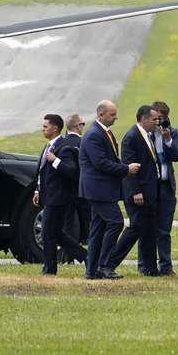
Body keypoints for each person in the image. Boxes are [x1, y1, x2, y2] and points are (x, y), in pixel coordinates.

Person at [104, 104, 159, 276]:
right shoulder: (132, 137)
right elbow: (128, 167)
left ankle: (150, 268)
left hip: (150, 192)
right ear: (143, 119)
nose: (157, 122)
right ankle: (109, 263)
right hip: (137, 193)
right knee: (135, 228)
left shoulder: (148, 135)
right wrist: (135, 191)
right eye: (154, 119)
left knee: (149, 229)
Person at [79, 100, 128, 280]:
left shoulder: (103, 132)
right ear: (101, 115)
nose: (116, 118)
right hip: (98, 189)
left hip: (101, 189)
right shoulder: (93, 134)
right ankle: (105, 265)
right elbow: (100, 163)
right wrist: (126, 169)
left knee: (98, 228)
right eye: (112, 115)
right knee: (116, 222)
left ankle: (92, 270)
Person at [32, 113, 87, 275]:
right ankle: (85, 255)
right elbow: (42, 171)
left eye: (45, 126)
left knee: (47, 233)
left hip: (59, 198)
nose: (43, 129)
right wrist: (37, 189)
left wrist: (55, 160)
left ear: (55, 128)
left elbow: (72, 171)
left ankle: (49, 268)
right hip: (48, 196)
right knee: (56, 233)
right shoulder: (48, 146)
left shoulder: (64, 147)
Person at [137, 100, 178, 276]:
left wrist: (168, 138)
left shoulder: (170, 132)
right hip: (150, 186)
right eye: (155, 118)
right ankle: (144, 264)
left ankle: (165, 265)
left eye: (162, 118)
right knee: (146, 227)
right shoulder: (144, 134)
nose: (158, 122)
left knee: (164, 229)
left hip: (166, 186)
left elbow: (176, 156)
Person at [58, 112, 90, 265]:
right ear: (79, 126)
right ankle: (91, 254)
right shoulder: (83, 143)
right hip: (82, 189)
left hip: (65, 190)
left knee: (67, 225)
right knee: (89, 222)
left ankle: (67, 257)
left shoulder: (61, 143)